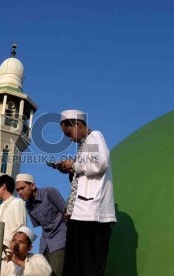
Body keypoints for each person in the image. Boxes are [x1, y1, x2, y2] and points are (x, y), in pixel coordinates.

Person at [57, 110, 117, 276]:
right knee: (75, 267)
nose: (70, 139)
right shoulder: (85, 144)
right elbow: (86, 174)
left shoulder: (94, 137)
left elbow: (100, 162)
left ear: (77, 124)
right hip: (80, 215)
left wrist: (75, 166)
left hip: (91, 216)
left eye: (69, 133)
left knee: (88, 266)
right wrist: (71, 170)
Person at [15, 173, 66, 276]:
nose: (20, 192)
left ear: (32, 186)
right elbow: (39, 225)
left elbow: (66, 213)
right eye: (18, 190)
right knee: (42, 273)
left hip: (59, 239)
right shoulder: (28, 205)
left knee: (55, 273)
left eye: (22, 188)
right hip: (44, 243)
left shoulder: (49, 193)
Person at [0, 174, 27, 249]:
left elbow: (21, 228)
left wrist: (7, 243)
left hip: (9, 252)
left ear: (3, 186)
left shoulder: (17, 202)